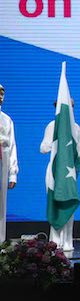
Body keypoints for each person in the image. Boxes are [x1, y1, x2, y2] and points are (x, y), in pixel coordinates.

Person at [41, 99, 80, 250]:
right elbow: (43, 148)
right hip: (55, 172)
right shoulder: (52, 125)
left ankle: (67, 240)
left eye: (72, 106)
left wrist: (74, 158)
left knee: (69, 202)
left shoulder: (76, 127)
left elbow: (79, 148)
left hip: (68, 172)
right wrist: (55, 144)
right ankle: (55, 240)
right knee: (56, 203)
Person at [0, 84, 18, 243]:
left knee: (2, 202)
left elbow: (12, 146)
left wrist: (13, 173)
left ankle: (0, 241)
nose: (0, 97)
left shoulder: (6, 119)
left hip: (3, 157)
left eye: (2, 94)